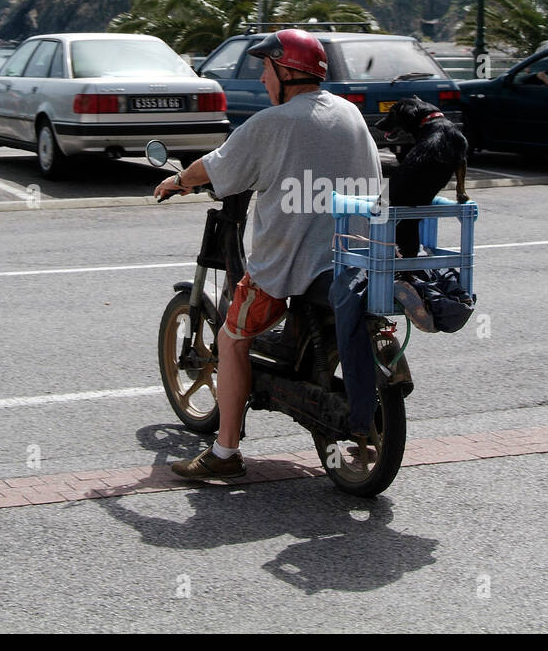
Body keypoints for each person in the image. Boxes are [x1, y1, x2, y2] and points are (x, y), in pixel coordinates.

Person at [153, 28, 383, 479]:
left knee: (232, 339)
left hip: (295, 263)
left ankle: (224, 454)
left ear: (286, 71)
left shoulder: (274, 123)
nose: (261, 79)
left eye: (265, 69)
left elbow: (218, 165)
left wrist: (178, 180)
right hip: (356, 256)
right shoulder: (349, 114)